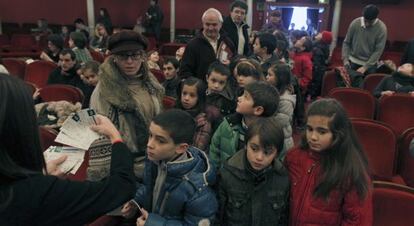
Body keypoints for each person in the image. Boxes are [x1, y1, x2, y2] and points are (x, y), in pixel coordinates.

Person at [0, 73, 136, 226]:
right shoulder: (41, 193)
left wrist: (40, 178)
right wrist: (115, 138)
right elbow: (121, 188)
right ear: (21, 127)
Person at [120, 109, 217, 225]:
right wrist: (136, 202)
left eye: (160, 141)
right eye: (150, 135)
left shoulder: (197, 189)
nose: (149, 144)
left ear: (181, 148)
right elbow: (149, 187)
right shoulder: (155, 160)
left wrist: (153, 223)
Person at [285, 98, 373, 226]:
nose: (313, 137)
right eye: (310, 129)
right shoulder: (294, 157)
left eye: (322, 131)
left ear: (338, 134)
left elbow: (357, 220)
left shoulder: (350, 171)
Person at [90, 30, 164, 178]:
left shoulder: (151, 83)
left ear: (143, 57)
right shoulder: (105, 91)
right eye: (123, 56)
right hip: (124, 165)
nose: (130, 61)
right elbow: (101, 136)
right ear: (114, 58)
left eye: (135, 55)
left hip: (154, 160)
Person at [218, 117, 289, 226]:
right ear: (246, 145)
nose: (259, 157)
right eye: (254, 149)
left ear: (276, 153)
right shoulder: (228, 174)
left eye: (267, 152)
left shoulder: (282, 178)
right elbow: (219, 216)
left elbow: (283, 217)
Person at [209, 81, 280, 169]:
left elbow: (277, 163)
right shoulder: (229, 124)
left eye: (246, 97)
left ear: (258, 110)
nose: (239, 98)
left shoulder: (273, 134)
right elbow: (215, 148)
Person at [179, 8, 235, 82]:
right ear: (203, 24)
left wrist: (231, 65)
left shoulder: (228, 42)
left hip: (223, 89)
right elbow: (185, 72)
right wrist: (197, 87)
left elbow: (235, 64)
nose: (211, 28)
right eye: (207, 24)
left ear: (221, 24)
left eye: (214, 24)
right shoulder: (193, 45)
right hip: (201, 90)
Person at [342, 4, 387, 75]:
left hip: (369, 65)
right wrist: (345, 60)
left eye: (370, 22)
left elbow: (378, 51)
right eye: (365, 21)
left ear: (376, 17)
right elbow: (346, 43)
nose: (367, 24)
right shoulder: (355, 23)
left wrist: (365, 67)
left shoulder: (382, 28)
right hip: (352, 62)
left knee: (367, 85)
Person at [266, 63, 296, 159]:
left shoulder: (285, 100)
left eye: (270, 75)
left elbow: (281, 121)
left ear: (280, 78)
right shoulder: (274, 92)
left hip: (282, 138)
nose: (266, 77)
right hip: (275, 136)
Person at [175, 77, 211, 152]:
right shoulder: (174, 112)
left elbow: (196, 150)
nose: (186, 98)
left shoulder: (203, 122)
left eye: (192, 95)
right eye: (184, 93)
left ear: (199, 98)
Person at [205, 61, 237, 130]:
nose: (216, 86)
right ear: (207, 78)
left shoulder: (227, 102)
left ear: (226, 83)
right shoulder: (200, 93)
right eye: (213, 80)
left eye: (221, 83)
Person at [309, 31, 333, 99]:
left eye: (321, 34)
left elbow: (316, 67)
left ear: (323, 38)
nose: (319, 34)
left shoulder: (317, 49)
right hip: (319, 73)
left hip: (316, 75)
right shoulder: (323, 47)